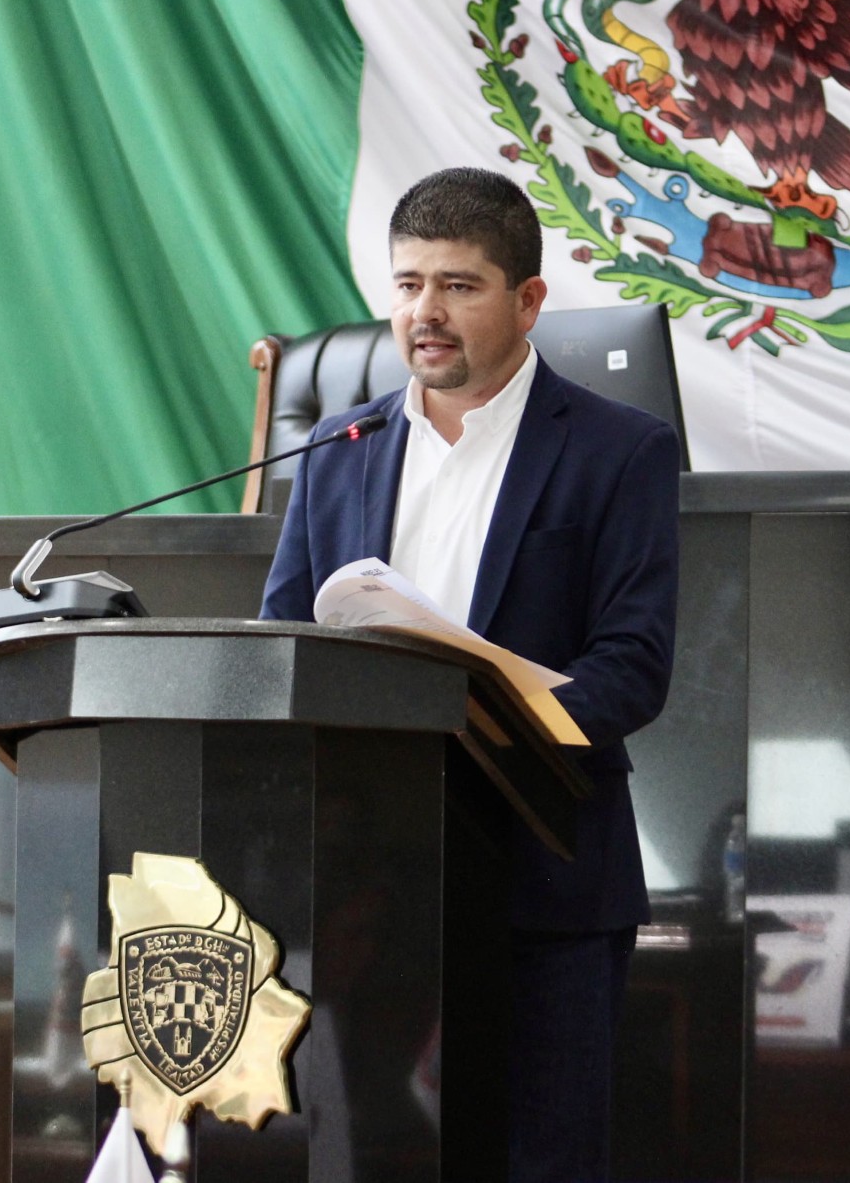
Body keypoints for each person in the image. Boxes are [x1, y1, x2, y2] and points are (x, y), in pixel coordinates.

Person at [260, 167, 680, 1181]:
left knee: (544, 1162)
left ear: (529, 300)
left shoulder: (620, 450)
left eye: (458, 285)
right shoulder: (339, 447)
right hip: (368, 900)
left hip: (545, 880)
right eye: (408, 285)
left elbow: (632, 671)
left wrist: (488, 705)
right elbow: (282, 641)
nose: (425, 313)